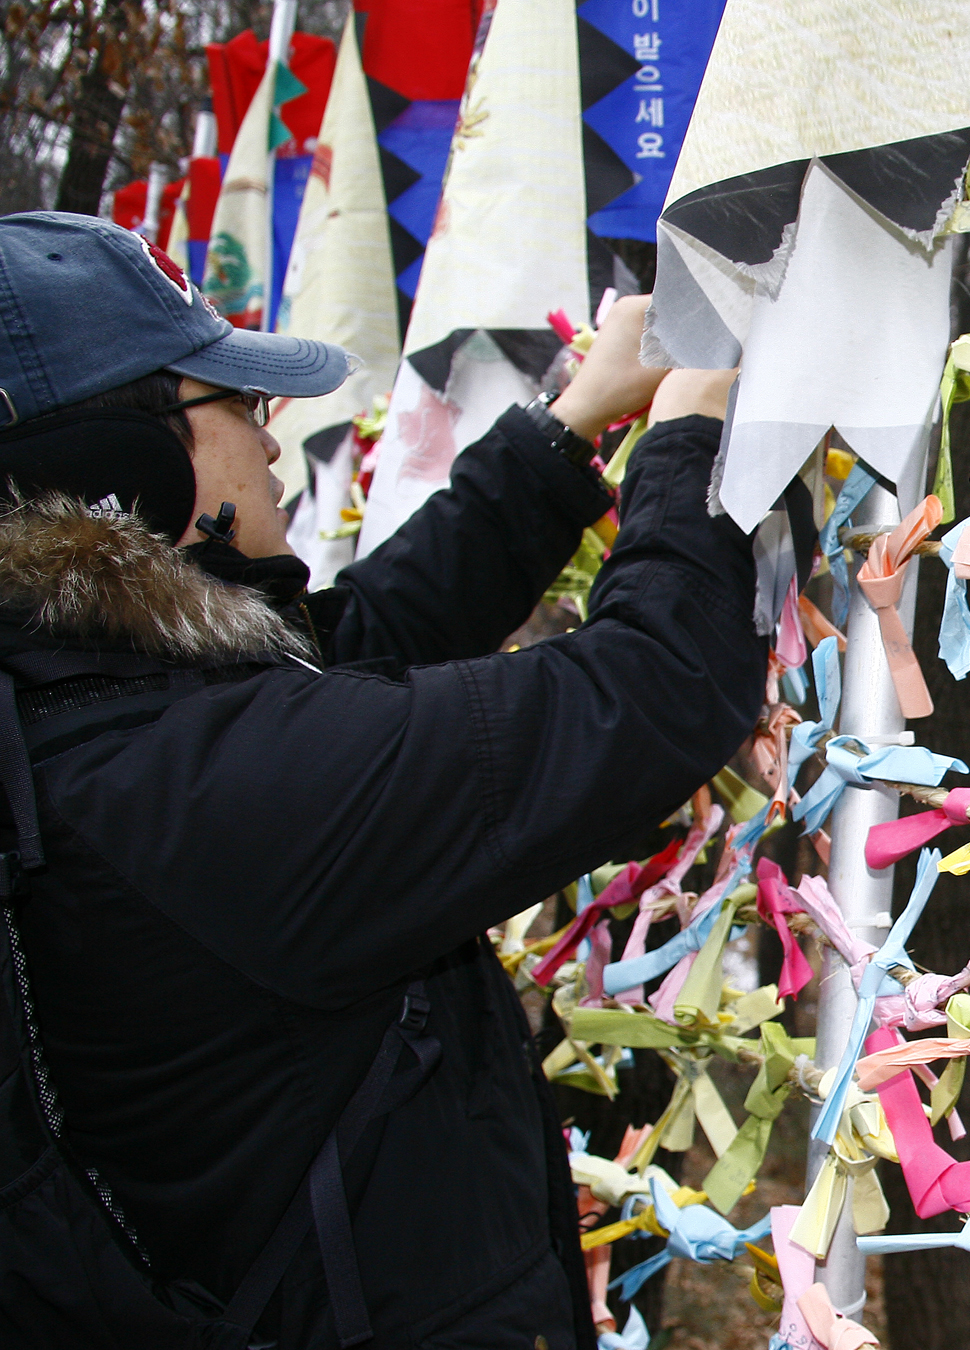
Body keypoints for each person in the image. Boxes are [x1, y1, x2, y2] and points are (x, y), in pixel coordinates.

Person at [0, 212, 783, 1348]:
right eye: (235, 404)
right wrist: (692, 435)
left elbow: (363, 634)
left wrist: (564, 434)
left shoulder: (79, 713)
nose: (274, 441)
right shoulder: (190, 790)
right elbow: (654, 693)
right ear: (124, 467)